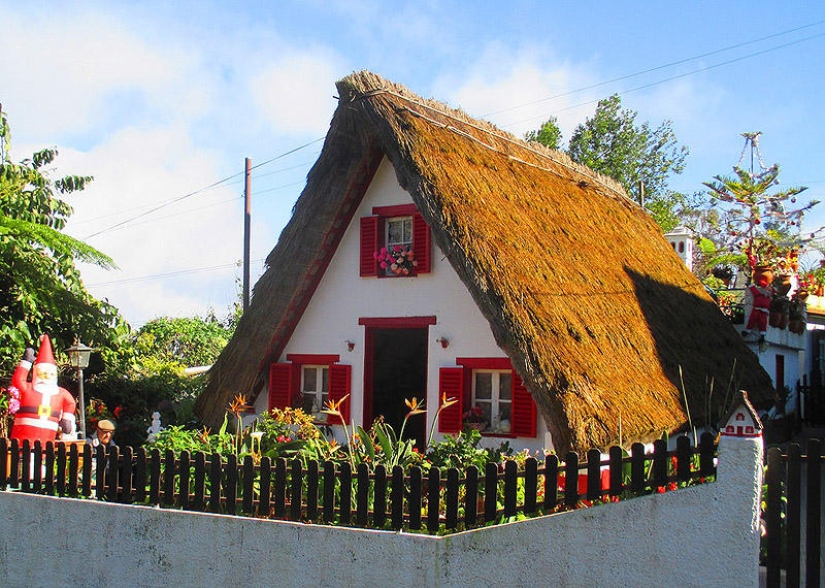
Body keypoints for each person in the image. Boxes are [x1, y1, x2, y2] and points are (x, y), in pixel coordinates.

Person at [10, 334, 77, 444]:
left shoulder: (60, 393)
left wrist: (67, 418)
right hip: (23, 436)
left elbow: (70, 403)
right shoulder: (28, 388)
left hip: (47, 436)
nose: (46, 376)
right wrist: (26, 362)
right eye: (43, 373)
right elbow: (18, 381)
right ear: (36, 372)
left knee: (44, 455)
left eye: (50, 373)